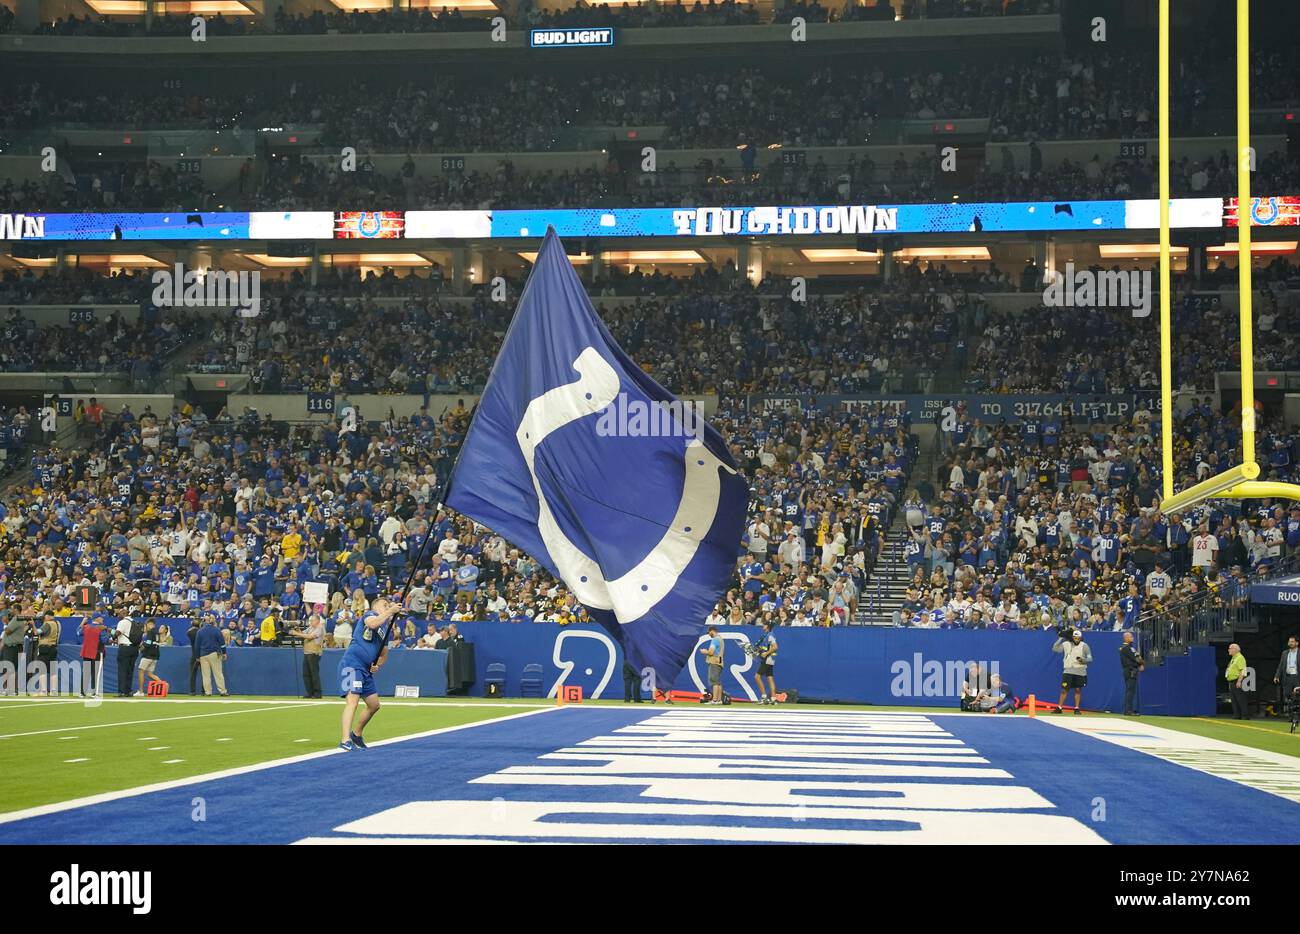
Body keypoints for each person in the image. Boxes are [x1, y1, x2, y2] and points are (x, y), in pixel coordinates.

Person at [338, 596, 404, 751]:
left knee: (374, 705)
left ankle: (356, 734)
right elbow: (372, 623)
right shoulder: (369, 615)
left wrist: (376, 665)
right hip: (352, 664)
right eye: (384, 605)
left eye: (388, 605)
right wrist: (390, 611)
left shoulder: (385, 631)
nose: (387, 606)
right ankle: (345, 739)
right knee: (352, 701)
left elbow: (384, 654)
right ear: (375, 607)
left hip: (366, 670)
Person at [1053, 628, 1092, 715]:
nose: (1076, 640)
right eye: (1075, 638)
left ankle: (1077, 708)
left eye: (1078, 638)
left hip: (1080, 671)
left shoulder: (1084, 646)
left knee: (1078, 690)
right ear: (1072, 637)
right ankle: (1059, 707)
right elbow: (1055, 649)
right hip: (1068, 671)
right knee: (1064, 690)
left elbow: (1090, 658)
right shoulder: (1066, 644)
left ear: (1081, 638)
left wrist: (1083, 660)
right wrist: (1060, 637)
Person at [290, 612, 325, 699]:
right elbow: (303, 634)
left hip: (314, 653)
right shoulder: (310, 628)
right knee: (306, 674)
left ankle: (317, 693)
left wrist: (296, 633)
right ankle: (310, 692)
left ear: (317, 621)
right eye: (310, 620)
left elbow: (309, 637)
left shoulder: (320, 628)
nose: (310, 622)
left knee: (314, 673)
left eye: (312, 620)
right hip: (307, 652)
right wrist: (298, 629)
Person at [194, 616, 229, 696]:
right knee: (218, 673)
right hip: (214, 654)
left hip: (203, 655)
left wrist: (197, 656)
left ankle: (208, 692)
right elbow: (222, 643)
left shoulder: (200, 631)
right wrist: (224, 653)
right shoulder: (216, 630)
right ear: (212, 622)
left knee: (206, 675)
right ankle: (222, 691)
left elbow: (197, 645)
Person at [78, 613, 107, 697]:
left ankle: (82, 692)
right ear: (97, 618)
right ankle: (94, 692)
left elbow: (78, 632)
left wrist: (83, 622)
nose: (102, 619)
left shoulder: (86, 627)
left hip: (87, 653)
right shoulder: (101, 628)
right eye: (101, 618)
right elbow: (104, 640)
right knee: (96, 673)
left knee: (86, 673)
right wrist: (109, 635)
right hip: (97, 652)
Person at [32, 612, 61, 696]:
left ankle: (43, 691)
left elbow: (37, 632)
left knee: (42, 670)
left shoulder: (47, 624)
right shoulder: (57, 623)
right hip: (53, 648)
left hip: (45, 649)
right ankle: (53, 691)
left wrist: (33, 624)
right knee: (52, 671)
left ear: (47, 616)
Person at [752, 620, 779, 705]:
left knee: (757, 677)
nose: (763, 626)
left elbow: (775, 647)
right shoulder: (767, 635)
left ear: (767, 626)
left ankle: (764, 697)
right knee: (770, 678)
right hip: (770, 659)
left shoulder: (770, 635)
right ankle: (773, 699)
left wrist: (766, 653)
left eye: (764, 625)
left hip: (768, 658)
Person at [135, 619, 165, 697]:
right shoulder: (157, 633)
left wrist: (140, 648)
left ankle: (141, 691)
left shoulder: (150, 632)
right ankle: (162, 685)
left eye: (146, 625)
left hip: (148, 655)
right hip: (155, 655)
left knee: (141, 671)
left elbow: (148, 643)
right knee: (150, 674)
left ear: (149, 624)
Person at [1119, 630, 1144, 715]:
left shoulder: (1128, 647)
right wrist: (1140, 663)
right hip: (1130, 670)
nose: (1132, 638)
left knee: (1130, 691)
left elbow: (1137, 656)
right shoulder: (1127, 648)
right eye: (1130, 636)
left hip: (1130, 670)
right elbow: (1136, 657)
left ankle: (1129, 709)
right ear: (1126, 638)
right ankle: (1128, 710)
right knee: (1130, 691)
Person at [115, 615, 141, 697]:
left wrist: (112, 635)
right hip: (134, 648)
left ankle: (122, 691)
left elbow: (118, 632)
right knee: (130, 670)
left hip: (125, 648)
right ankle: (128, 691)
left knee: (122, 670)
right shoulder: (136, 623)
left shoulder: (122, 622)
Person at [1273, 635, 1299, 715]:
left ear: (1297, 643)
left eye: (1292, 641)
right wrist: (1277, 676)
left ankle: (1297, 715)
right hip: (1287, 677)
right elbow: (1280, 665)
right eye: (1289, 642)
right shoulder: (1285, 653)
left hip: (1297, 677)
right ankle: (1291, 716)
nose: (1290, 643)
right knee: (1288, 696)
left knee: (1297, 696)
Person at [699, 625, 724, 704]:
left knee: (714, 681)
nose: (709, 634)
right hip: (719, 661)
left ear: (712, 631)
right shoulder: (720, 639)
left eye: (709, 633)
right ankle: (719, 700)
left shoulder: (715, 640)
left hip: (714, 661)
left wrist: (704, 651)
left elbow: (710, 652)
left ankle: (714, 700)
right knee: (718, 682)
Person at [1, 609, 23, 695]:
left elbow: (8, 631)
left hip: (11, 647)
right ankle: (11, 689)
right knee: (11, 669)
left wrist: (5, 626)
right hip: (13, 647)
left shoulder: (16, 619)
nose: (2, 619)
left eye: (3, 617)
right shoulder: (14, 621)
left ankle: (5, 689)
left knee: (8, 668)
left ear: (7, 616)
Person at [1226, 642, 1249, 719]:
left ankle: (1245, 715)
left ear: (1235, 649)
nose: (1228, 650)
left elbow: (1243, 670)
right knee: (1234, 699)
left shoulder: (1240, 658)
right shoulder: (1234, 658)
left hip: (1237, 680)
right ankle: (1237, 715)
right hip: (1232, 681)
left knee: (1240, 699)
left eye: (1230, 648)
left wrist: (1239, 681)